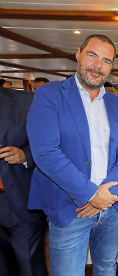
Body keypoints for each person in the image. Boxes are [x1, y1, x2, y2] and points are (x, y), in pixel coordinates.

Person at [27, 34, 118, 276]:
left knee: (106, 268)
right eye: (92, 55)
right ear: (78, 54)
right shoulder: (50, 95)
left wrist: (107, 192)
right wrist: (91, 194)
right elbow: (46, 153)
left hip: (111, 206)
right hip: (70, 207)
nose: (98, 65)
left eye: (106, 60)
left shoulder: (116, 104)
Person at [0, 86, 48, 276]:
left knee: (30, 268)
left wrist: (25, 155)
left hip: (19, 203)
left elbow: (50, 142)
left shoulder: (27, 101)